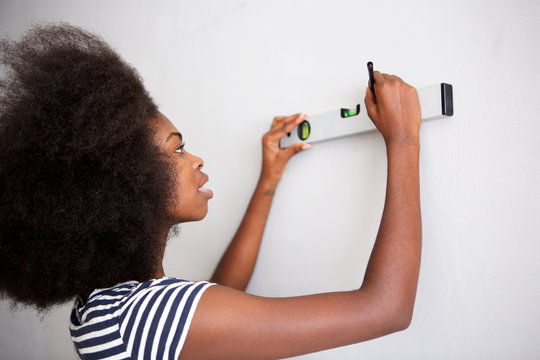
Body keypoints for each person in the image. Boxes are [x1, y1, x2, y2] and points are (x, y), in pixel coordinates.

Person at [0, 23, 422, 360]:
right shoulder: (148, 318)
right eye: (176, 148)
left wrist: (268, 180)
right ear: (124, 181)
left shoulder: (104, 308)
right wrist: (403, 141)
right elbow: (385, 309)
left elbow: (218, 304)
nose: (196, 159)